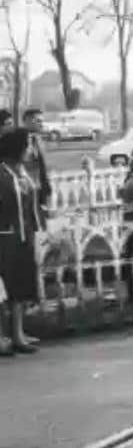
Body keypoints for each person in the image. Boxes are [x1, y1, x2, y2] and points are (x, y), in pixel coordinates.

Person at [0, 129, 42, 355]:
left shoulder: (23, 173)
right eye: (27, 146)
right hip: (4, 238)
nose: (31, 151)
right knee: (2, 290)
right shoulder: (2, 174)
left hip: (24, 236)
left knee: (20, 286)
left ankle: (18, 334)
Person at [21, 109, 52, 221]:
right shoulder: (20, 141)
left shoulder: (39, 139)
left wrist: (47, 188)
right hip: (27, 191)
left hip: (40, 190)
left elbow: (43, 165)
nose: (42, 124)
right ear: (29, 121)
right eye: (38, 121)